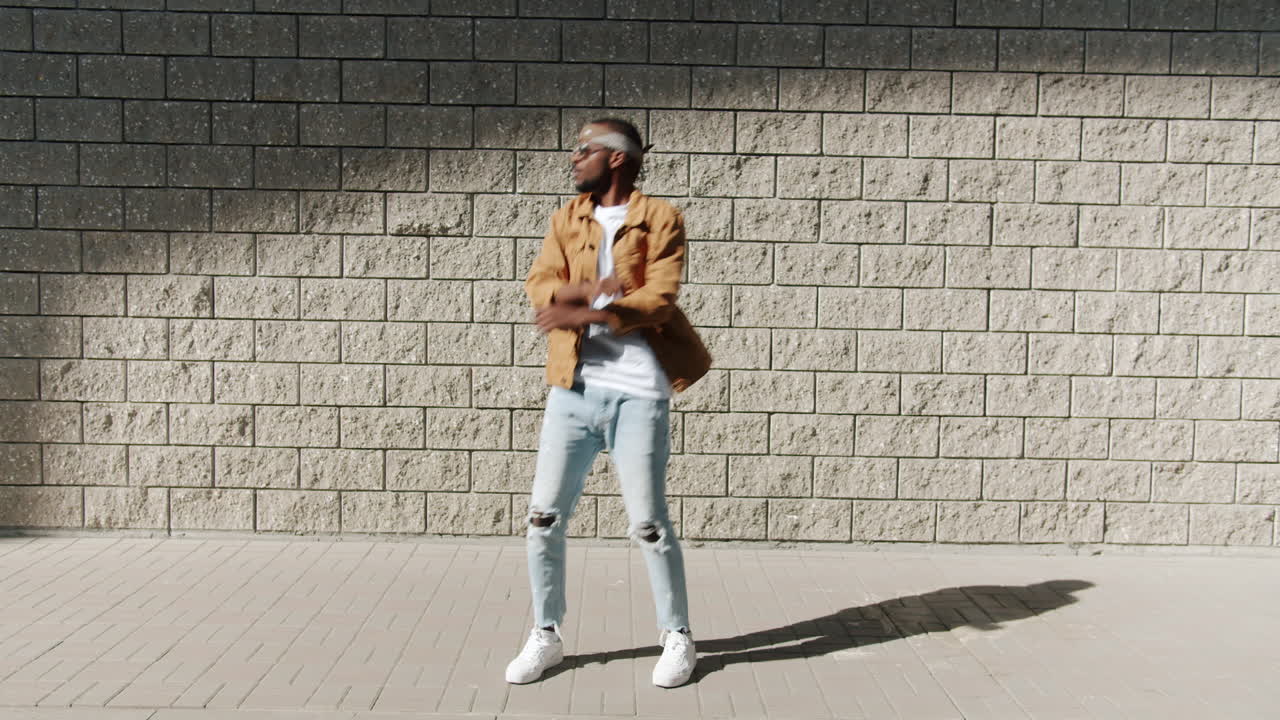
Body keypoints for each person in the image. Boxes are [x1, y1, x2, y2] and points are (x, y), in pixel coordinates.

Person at [507, 118, 711, 688]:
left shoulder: (661, 218)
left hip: (639, 393)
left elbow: (659, 298)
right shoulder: (565, 218)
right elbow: (540, 283)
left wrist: (595, 312)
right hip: (571, 388)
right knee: (543, 518)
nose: (574, 159)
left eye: (584, 150)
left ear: (617, 159)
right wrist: (585, 292)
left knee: (648, 523)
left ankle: (678, 637)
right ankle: (546, 635)